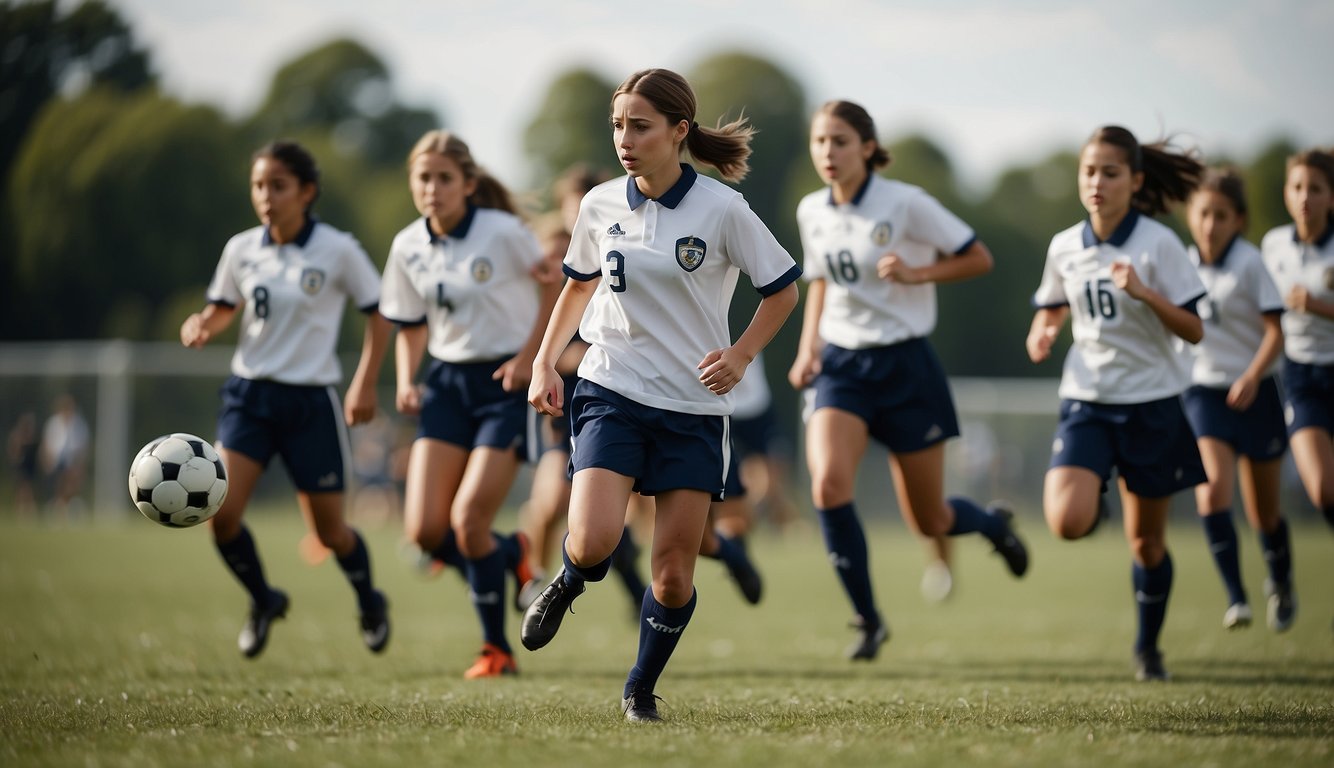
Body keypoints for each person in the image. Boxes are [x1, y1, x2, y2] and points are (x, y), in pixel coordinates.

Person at [520, 67, 800, 723]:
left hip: (694, 410)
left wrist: (740, 354)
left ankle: (640, 689)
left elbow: (783, 289)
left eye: (640, 126)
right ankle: (567, 580)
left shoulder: (724, 210)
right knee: (590, 539)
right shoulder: (598, 205)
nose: (625, 138)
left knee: (674, 574)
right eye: (618, 125)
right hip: (612, 388)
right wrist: (544, 364)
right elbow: (578, 287)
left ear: (679, 132)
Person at [788, 100, 1028, 663]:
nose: (829, 152)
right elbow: (819, 281)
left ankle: (992, 525)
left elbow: (978, 258)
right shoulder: (811, 210)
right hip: (843, 366)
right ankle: (868, 620)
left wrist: (921, 272)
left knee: (930, 518)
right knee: (827, 487)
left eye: (841, 141)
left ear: (867, 147)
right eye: (821, 141)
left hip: (906, 367)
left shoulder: (906, 203)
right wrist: (808, 348)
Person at [179, 140, 391, 659]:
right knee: (221, 516)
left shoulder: (338, 249)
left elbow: (380, 313)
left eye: (278, 185)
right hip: (249, 397)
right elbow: (224, 306)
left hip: (310, 404)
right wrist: (203, 323)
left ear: (306, 191)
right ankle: (264, 599)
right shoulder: (241, 249)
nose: (266, 196)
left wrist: (363, 381)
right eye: (258, 185)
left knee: (331, 532)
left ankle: (370, 600)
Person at [1027, 126, 1206, 681]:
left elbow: (1196, 329)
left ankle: (1148, 649)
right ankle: (1094, 490)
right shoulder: (1064, 246)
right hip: (1088, 400)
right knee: (1067, 520)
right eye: (1089, 171)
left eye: (1109, 172)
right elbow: (1052, 305)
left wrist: (1146, 294)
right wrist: (1044, 330)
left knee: (1147, 543)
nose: (1097, 182)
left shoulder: (1159, 245)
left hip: (1152, 405)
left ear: (1135, 181)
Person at [380, 130, 559, 679]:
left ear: (468, 184)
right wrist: (407, 379)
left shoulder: (504, 233)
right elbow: (408, 325)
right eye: (423, 178)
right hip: (446, 386)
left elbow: (555, 289)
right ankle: (510, 558)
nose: (432, 189)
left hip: (505, 384)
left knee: (467, 521)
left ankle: (495, 651)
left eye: (443, 178)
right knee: (426, 533)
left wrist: (530, 358)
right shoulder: (407, 245)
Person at [517, 167, 650, 616]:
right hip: (561, 402)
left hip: (617, 394)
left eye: (583, 204)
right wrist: (541, 361)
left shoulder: (624, 245)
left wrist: (579, 355)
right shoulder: (551, 254)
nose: (577, 215)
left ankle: (635, 588)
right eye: (571, 207)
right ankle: (534, 578)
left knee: (605, 515)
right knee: (551, 503)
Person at [1181, 168, 1293, 632]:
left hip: (1255, 394)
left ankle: (1282, 583)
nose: (1210, 224)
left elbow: (1276, 331)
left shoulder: (1249, 263)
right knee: (1211, 496)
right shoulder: (1181, 262)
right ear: (1190, 215)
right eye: (1203, 213)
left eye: (1221, 216)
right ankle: (1236, 598)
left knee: (1262, 513)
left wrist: (1251, 374)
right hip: (1204, 393)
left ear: (1239, 220)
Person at [1260, 148, 1334, 632]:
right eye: (1297, 187)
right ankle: (1282, 584)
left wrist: (1320, 306)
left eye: (1316, 188)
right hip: (1301, 378)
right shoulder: (1271, 246)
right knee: (1323, 489)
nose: (1305, 197)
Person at [39, 394, 89, 519]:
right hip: (57, 461)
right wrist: (47, 459)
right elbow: (47, 443)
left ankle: (68, 510)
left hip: (73, 461)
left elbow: (83, 445)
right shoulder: (53, 423)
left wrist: (80, 463)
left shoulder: (79, 423)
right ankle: (59, 511)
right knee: (60, 487)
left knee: (71, 487)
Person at [8, 411, 40, 521]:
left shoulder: (32, 436)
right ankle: (20, 512)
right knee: (21, 489)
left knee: (28, 489)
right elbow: (14, 453)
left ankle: (29, 512)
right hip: (21, 466)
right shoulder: (17, 436)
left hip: (29, 466)